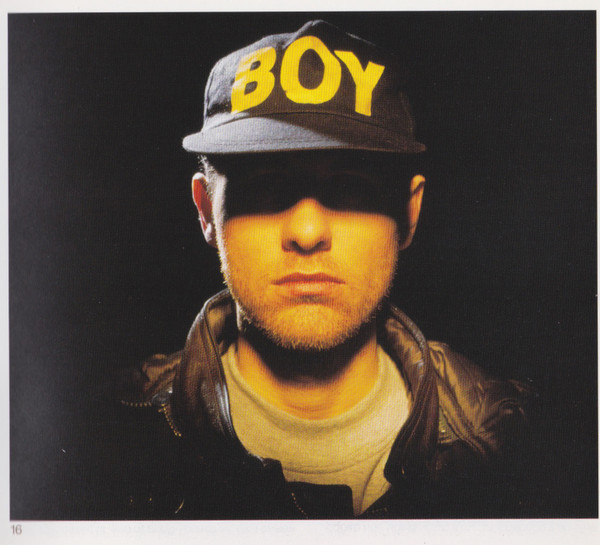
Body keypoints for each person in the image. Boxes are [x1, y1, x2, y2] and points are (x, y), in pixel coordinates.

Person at [117, 20, 533, 519]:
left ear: (409, 213)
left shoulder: (514, 439)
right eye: (265, 187)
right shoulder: (109, 434)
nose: (308, 231)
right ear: (206, 212)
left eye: (352, 187)